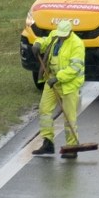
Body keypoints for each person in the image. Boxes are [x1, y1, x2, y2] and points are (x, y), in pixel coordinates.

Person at [31, 20, 85, 157]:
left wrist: (58, 77)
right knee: (44, 109)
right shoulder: (55, 35)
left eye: (63, 35)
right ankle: (47, 142)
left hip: (69, 84)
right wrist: (37, 44)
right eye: (59, 34)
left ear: (70, 32)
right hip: (52, 79)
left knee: (69, 117)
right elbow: (44, 40)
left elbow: (75, 68)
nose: (61, 37)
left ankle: (72, 147)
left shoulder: (77, 44)